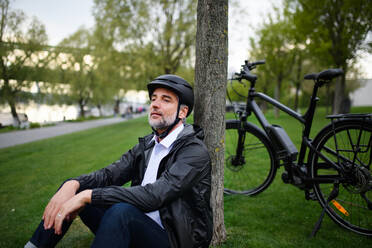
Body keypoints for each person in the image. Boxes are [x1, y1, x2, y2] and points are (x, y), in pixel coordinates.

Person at [25, 75, 213, 248]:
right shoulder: (148, 144)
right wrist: (73, 185)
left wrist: (88, 196)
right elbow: (109, 174)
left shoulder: (194, 152)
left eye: (166, 100)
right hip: (138, 226)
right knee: (75, 189)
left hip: (174, 239)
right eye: (154, 98)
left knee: (120, 212)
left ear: (183, 112)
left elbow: (154, 196)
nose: (155, 104)